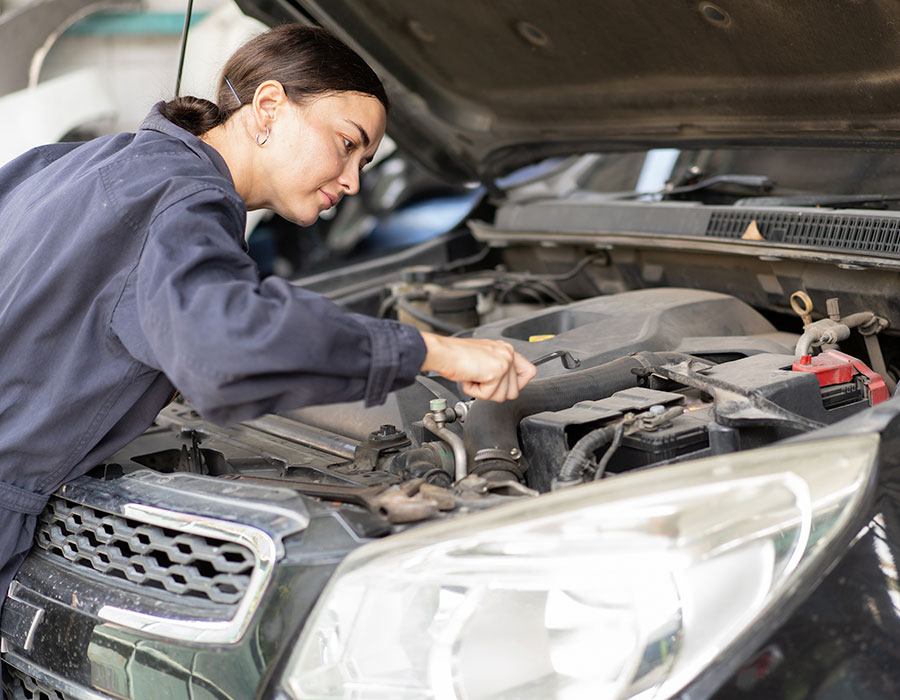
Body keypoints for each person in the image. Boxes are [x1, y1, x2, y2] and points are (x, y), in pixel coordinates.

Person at [0, 24, 536, 615]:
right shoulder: (184, 201)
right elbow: (227, 345)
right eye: (347, 143)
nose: (354, 180)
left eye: (365, 160)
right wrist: (433, 351)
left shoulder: (73, 163)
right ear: (270, 106)